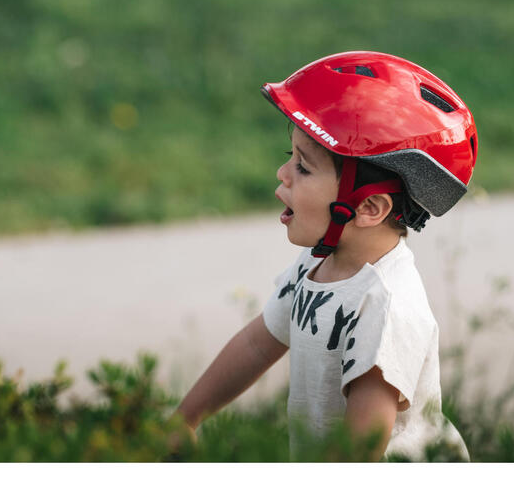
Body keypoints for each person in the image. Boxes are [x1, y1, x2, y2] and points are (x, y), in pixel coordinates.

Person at [174, 51, 478, 461]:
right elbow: (257, 345)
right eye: (290, 158)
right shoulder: (319, 263)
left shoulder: (384, 306)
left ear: (368, 209)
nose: (283, 174)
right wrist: (184, 420)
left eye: (303, 167)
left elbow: (361, 450)